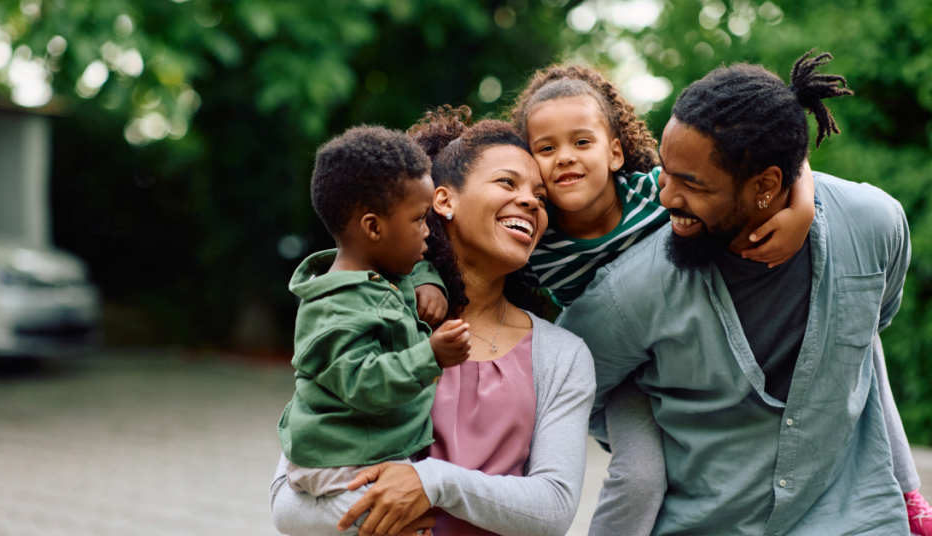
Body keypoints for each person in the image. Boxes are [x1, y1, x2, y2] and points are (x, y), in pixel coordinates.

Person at [559, 50, 916, 534]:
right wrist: (651, 440)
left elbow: (876, 320)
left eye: (691, 183)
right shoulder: (635, 288)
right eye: (665, 171)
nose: (665, 197)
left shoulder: (875, 225)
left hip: (857, 519)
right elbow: (566, 382)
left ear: (766, 186)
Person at [509, 64, 816, 536]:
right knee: (641, 476)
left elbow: (769, 153)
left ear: (614, 152)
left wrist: (804, 207)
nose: (565, 157)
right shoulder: (534, 237)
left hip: (689, 348)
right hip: (623, 378)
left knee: (845, 336)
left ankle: (905, 494)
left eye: (582, 142)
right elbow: (460, 237)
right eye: (546, 149)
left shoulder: (655, 192)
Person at [271, 113, 595, 536]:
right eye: (507, 183)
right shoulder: (373, 314)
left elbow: (553, 509)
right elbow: (288, 500)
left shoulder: (561, 355)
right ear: (444, 201)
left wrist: (433, 483)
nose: (532, 202)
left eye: (540, 196)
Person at [276, 126, 472, 505]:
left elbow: (408, 266)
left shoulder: (382, 269)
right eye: (419, 220)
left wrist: (428, 282)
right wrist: (429, 356)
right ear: (373, 227)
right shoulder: (335, 308)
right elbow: (362, 383)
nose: (428, 233)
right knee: (397, 520)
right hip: (339, 461)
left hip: (370, 448)